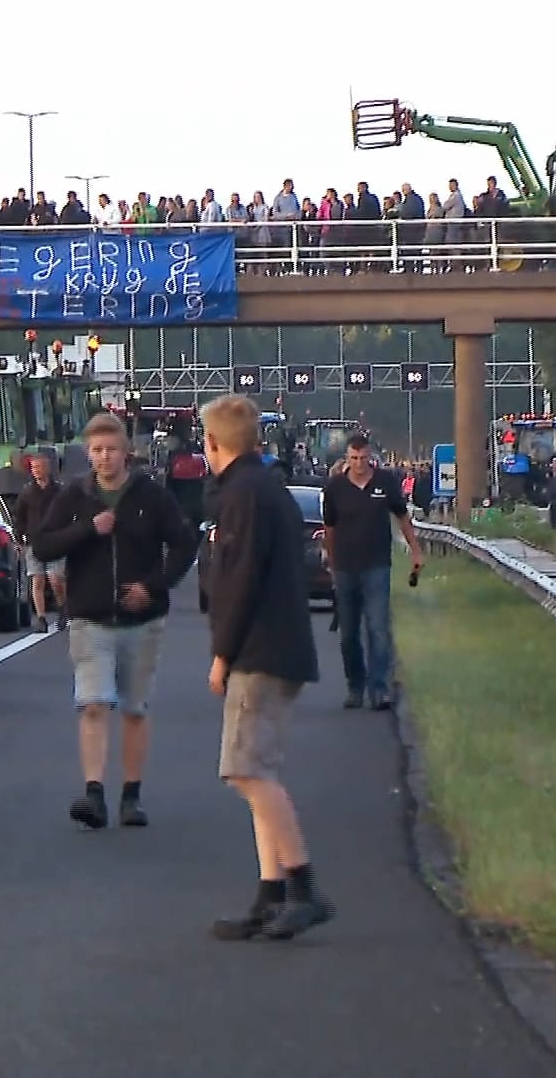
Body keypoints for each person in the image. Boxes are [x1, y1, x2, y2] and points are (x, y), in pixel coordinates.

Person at [199, 394, 332, 941]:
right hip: (280, 646)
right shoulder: (265, 488)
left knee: (246, 771)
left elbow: (239, 580)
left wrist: (222, 653)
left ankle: (303, 885)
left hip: (260, 650)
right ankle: (269, 893)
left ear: (212, 444)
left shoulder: (243, 497)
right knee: (260, 771)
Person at [31, 412, 200, 830]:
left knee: (134, 708)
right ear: (88, 455)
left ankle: (131, 793)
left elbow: (182, 544)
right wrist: (88, 530)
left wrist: (155, 585)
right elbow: (44, 542)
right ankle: (93, 792)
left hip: (140, 620)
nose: (104, 458)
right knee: (92, 704)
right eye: (96, 451)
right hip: (90, 618)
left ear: (127, 453)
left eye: (111, 450)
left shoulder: (152, 496)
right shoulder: (75, 496)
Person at [321, 434, 423, 711]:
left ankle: (380, 689)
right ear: (347, 458)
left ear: (371, 457)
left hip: (377, 564)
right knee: (349, 633)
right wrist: (331, 560)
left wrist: (416, 551)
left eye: (363, 458)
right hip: (344, 566)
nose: (359, 464)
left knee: (378, 628)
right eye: (353, 459)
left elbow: (402, 516)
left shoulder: (385, 482)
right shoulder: (335, 487)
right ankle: (356, 686)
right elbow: (329, 527)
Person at [12, 453, 67, 632]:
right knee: (37, 581)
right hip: (34, 542)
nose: (36, 471)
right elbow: (19, 517)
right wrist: (19, 540)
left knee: (56, 579)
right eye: (33, 468)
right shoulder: (27, 492)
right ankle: (41, 619)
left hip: (55, 541)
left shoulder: (59, 491)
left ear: (48, 468)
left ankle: (62, 609)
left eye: (39, 467)